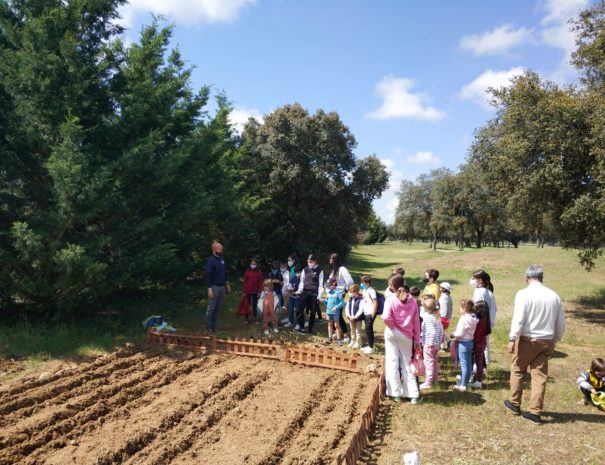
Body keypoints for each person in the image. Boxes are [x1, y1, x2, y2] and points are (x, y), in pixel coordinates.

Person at [504, 265, 566, 424]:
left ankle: (514, 403)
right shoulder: (554, 295)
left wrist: (512, 339)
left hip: (527, 339)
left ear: (526, 277)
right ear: (542, 277)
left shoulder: (523, 294)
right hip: (547, 340)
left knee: (518, 370)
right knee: (539, 377)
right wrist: (556, 338)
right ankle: (535, 412)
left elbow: (518, 319)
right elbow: (560, 323)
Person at [382, 274, 421, 404]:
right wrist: (416, 340)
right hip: (406, 334)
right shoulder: (413, 301)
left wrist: (393, 327)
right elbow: (416, 322)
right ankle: (413, 394)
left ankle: (395, 393)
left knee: (392, 361)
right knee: (407, 362)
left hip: (392, 332)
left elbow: (386, 317)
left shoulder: (390, 299)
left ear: (392, 287)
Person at [450, 299, 478, 391]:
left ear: (464, 308)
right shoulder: (473, 317)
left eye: (460, 307)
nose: (459, 309)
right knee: (468, 363)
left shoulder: (463, 319)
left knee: (464, 364)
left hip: (463, 343)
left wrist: (453, 334)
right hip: (470, 342)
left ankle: (463, 385)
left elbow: (460, 333)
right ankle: (466, 381)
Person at [470, 270, 497, 365]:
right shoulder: (488, 292)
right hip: (487, 322)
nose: (472, 280)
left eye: (474, 278)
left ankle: (480, 366)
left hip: (480, 322)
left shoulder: (479, 292)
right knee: (485, 344)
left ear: (480, 280)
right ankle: (484, 365)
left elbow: (478, 308)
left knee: (479, 345)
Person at [205, 241, 231, 335]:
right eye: (220, 249)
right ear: (214, 249)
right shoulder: (210, 260)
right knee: (211, 307)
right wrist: (209, 288)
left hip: (222, 287)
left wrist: (227, 283)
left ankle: (215, 327)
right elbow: (208, 275)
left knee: (218, 308)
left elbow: (225, 272)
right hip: (214, 287)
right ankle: (209, 328)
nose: (221, 250)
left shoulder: (222, 258)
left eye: (222, 249)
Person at [328, 253, 354, 343]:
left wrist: (345, 290)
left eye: (332, 260)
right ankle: (336, 331)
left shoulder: (342, 269)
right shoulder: (333, 270)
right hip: (332, 294)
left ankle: (346, 335)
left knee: (338, 314)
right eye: (330, 260)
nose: (331, 261)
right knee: (333, 313)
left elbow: (350, 281)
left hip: (339, 293)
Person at [295, 254, 324, 335]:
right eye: (308, 262)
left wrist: (319, 295)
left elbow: (321, 284)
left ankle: (310, 328)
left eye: (311, 262)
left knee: (313, 312)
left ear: (315, 261)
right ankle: (301, 327)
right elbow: (301, 281)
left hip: (314, 293)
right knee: (299, 310)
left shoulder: (319, 269)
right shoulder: (305, 269)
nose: (309, 263)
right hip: (305, 292)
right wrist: (299, 291)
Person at [419, 298, 444, 390]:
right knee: (434, 362)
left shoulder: (428, 318)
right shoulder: (437, 317)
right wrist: (439, 342)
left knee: (429, 363)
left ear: (426, 309)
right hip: (436, 344)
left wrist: (430, 342)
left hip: (429, 344)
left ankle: (428, 382)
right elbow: (442, 331)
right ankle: (434, 379)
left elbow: (432, 332)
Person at [470, 300, 489, 389]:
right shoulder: (484, 319)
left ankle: (478, 381)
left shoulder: (479, 321)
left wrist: (472, 342)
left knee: (478, 362)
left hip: (477, 344)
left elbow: (476, 334)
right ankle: (477, 379)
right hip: (481, 343)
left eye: (476, 307)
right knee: (479, 362)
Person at [360, 275, 378, 354]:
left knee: (369, 329)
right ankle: (368, 345)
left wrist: (372, 314)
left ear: (367, 282)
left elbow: (375, 302)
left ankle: (371, 347)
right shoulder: (364, 290)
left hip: (370, 313)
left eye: (363, 282)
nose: (361, 283)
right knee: (367, 330)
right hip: (365, 312)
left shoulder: (371, 291)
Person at [242, 258, 263, 324]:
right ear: (250, 264)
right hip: (248, 291)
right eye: (252, 264)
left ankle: (255, 318)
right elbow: (245, 282)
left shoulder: (259, 272)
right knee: (247, 305)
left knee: (254, 305)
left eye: (254, 264)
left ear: (256, 265)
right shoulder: (247, 271)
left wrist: (259, 292)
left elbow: (260, 282)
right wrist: (244, 292)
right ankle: (246, 318)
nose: (253, 265)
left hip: (255, 291)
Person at [324, 278, 344, 344]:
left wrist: (336, 307)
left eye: (330, 285)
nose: (329, 287)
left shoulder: (338, 292)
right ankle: (330, 338)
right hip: (329, 311)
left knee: (336, 325)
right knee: (329, 324)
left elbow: (342, 303)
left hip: (336, 312)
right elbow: (327, 301)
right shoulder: (329, 292)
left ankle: (339, 339)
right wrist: (323, 300)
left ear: (334, 284)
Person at [345, 284, 364, 349]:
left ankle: (358, 343)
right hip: (351, 317)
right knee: (352, 330)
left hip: (357, 318)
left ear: (355, 292)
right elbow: (347, 307)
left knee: (358, 331)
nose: (349, 293)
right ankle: (352, 341)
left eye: (350, 292)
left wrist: (355, 316)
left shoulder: (360, 299)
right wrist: (348, 315)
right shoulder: (350, 299)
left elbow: (361, 309)